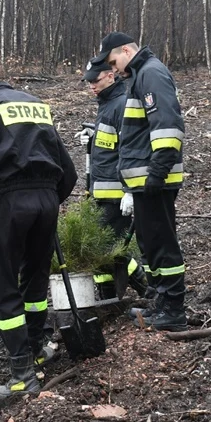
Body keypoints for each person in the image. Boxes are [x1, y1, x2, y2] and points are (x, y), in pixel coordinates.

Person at [0, 62, 77, 400]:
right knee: (35, 279)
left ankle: (22, 375)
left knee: (1, 286)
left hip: (9, 204)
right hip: (48, 200)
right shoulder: (36, 104)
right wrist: (48, 199)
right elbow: (69, 170)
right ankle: (37, 348)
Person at [95, 32, 188, 331]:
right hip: (144, 181)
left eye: (113, 61)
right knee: (149, 245)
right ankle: (161, 303)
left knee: (162, 245)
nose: (113, 69)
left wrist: (156, 174)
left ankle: (173, 310)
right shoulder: (139, 75)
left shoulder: (151, 74)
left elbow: (169, 126)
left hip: (155, 181)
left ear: (126, 49)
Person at [75, 58, 148, 301]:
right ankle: (107, 297)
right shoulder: (106, 103)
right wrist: (94, 138)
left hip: (116, 195)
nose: (91, 86)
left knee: (110, 250)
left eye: (95, 81)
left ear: (110, 75)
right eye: (88, 82)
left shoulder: (121, 104)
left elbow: (130, 148)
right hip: (101, 191)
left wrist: (129, 190)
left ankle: (144, 289)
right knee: (101, 248)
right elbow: (112, 141)